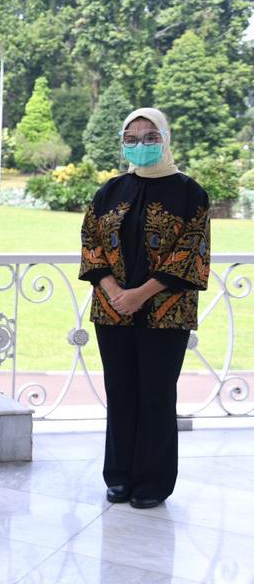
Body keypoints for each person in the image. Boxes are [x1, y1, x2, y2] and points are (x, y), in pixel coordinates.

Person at [79, 107, 210, 509]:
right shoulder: (110, 190)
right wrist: (114, 288)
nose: (141, 145)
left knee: (155, 393)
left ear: (166, 139)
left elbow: (192, 253)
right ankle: (118, 476)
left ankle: (152, 481)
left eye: (150, 137)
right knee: (120, 392)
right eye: (132, 137)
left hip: (165, 312)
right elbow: (91, 241)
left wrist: (141, 293)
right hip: (112, 309)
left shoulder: (189, 193)